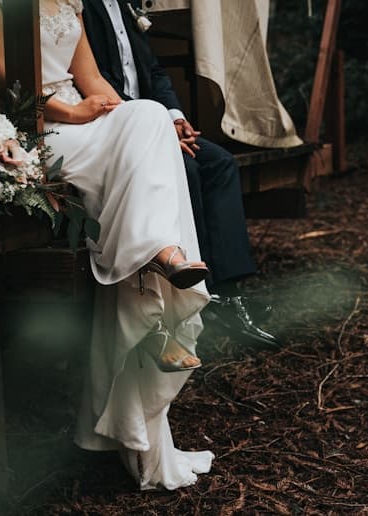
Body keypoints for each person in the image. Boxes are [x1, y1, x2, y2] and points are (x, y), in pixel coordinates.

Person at [0, 0, 215, 490]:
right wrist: (72, 110)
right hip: (37, 130)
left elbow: (94, 78)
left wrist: (137, 124)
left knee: (149, 117)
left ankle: (158, 257)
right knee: (149, 142)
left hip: (87, 122)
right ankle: (161, 279)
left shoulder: (69, 0)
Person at [81, 0, 278, 346]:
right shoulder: (82, 7)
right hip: (118, 126)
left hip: (157, 122)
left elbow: (154, 70)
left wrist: (174, 117)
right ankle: (200, 298)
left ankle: (229, 295)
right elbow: (93, 82)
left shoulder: (127, 5)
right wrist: (155, 126)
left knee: (219, 163)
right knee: (185, 169)